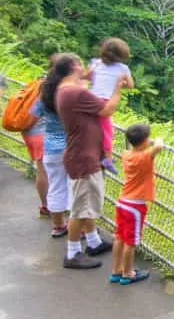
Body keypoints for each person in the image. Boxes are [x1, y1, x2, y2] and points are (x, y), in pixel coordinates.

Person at [54, 54, 128, 269]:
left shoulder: (65, 89)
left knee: (85, 204)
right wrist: (117, 88)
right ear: (74, 67)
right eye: (81, 64)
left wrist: (90, 75)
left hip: (81, 154)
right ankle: (73, 252)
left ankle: (93, 242)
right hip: (83, 158)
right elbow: (107, 109)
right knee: (81, 208)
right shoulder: (75, 92)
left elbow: (84, 83)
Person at [111, 123, 163, 285]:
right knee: (131, 242)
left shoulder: (126, 155)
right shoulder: (144, 157)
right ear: (144, 141)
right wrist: (157, 141)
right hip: (135, 206)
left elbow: (145, 149)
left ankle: (116, 271)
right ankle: (128, 273)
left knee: (119, 237)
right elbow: (159, 145)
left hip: (122, 201)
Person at [33, 55, 74, 237]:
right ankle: (78, 229)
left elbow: (35, 112)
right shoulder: (68, 91)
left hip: (50, 146)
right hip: (71, 145)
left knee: (56, 186)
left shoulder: (45, 90)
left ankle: (58, 225)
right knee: (75, 188)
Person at [87, 38, 134, 176]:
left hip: (90, 99)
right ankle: (107, 158)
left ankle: (96, 150)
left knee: (92, 126)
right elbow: (130, 85)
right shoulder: (123, 69)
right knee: (107, 131)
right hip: (105, 102)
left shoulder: (95, 63)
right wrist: (118, 83)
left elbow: (89, 77)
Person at [20, 76, 49, 218]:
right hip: (41, 134)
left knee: (41, 169)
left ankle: (46, 205)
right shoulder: (49, 88)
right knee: (43, 171)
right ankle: (48, 206)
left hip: (29, 132)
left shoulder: (35, 84)